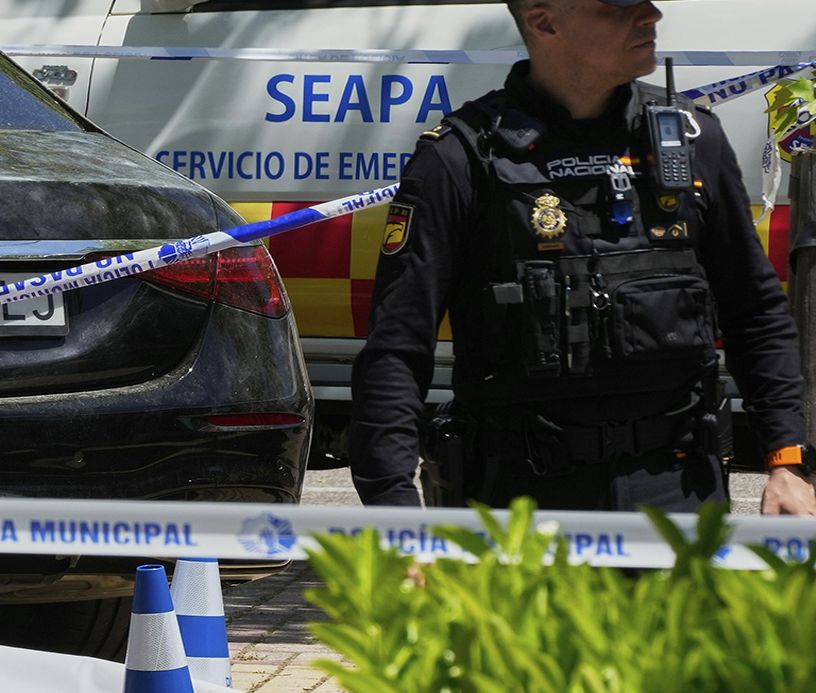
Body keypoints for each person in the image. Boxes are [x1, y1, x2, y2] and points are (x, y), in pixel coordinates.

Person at [349, 0, 816, 516]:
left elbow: (756, 313)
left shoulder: (692, 138)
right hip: (519, 506)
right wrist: (394, 510)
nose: (652, 16)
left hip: (678, 495)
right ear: (545, 22)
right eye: (621, 7)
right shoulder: (461, 158)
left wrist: (786, 462)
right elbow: (396, 349)